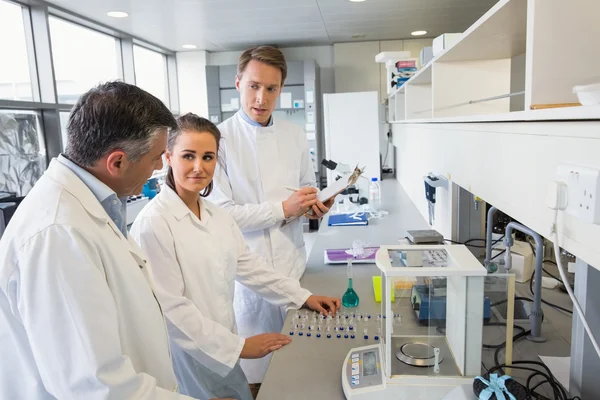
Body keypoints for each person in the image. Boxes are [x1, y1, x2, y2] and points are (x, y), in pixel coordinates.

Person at [0, 82, 198, 399]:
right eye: (156, 157)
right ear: (117, 162)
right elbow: (95, 385)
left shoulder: (90, 207)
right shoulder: (58, 233)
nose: (160, 166)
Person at [130, 113, 340, 400]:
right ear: (168, 157)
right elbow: (171, 310)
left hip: (223, 344)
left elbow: (249, 266)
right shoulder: (154, 223)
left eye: (208, 157)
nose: (198, 167)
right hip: (186, 358)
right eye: (188, 156)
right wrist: (239, 348)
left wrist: (302, 296)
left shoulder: (217, 215)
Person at [208, 46, 335, 384]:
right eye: (253, 86)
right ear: (238, 83)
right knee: (258, 375)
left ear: (282, 89)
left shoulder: (294, 135)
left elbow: (306, 187)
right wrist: (282, 209)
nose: (261, 98)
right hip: (250, 278)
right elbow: (223, 215)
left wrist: (316, 204)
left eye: (271, 88)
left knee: (302, 369)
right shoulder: (218, 141)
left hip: (294, 266)